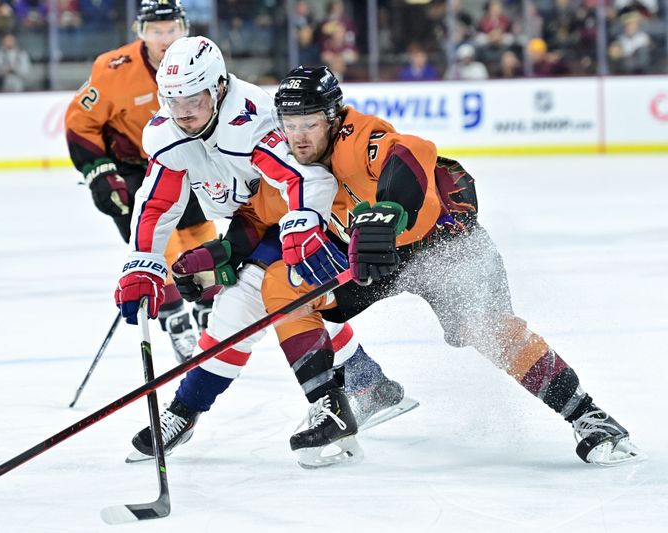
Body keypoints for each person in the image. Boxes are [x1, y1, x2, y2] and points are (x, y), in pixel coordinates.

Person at [258, 65, 642, 467]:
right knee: (288, 286)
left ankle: (590, 417)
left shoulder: (358, 137)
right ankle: (343, 400)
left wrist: (387, 212)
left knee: (487, 329)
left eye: (310, 123)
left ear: (334, 118)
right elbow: (257, 214)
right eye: (290, 124)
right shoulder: (289, 163)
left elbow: (413, 151)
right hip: (384, 257)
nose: (298, 136)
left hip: (445, 244)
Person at [113, 37, 417, 465]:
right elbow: (159, 201)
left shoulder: (251, 123)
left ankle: (189, 409)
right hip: (253, 220)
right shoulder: (169, 128)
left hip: (299, 215)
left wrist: (300, 229)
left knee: (244, 306)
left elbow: (307, 180)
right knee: (283, 305)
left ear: (218, 88)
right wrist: (142, 264)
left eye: (193, 98)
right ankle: (370, 384)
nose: (181, 112)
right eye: (172, 99)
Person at [65, 0, 217, 362]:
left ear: (185, 28)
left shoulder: (203, 59)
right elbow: (79, 122)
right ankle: (175, 316)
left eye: (171, 30)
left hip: (186, 159)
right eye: (155, 31)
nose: (165, 39)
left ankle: (211, 307)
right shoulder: (113, 69)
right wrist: (98, 170)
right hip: (133, 167)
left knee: (200, 234)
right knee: (153, 237)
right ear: (140, 32)